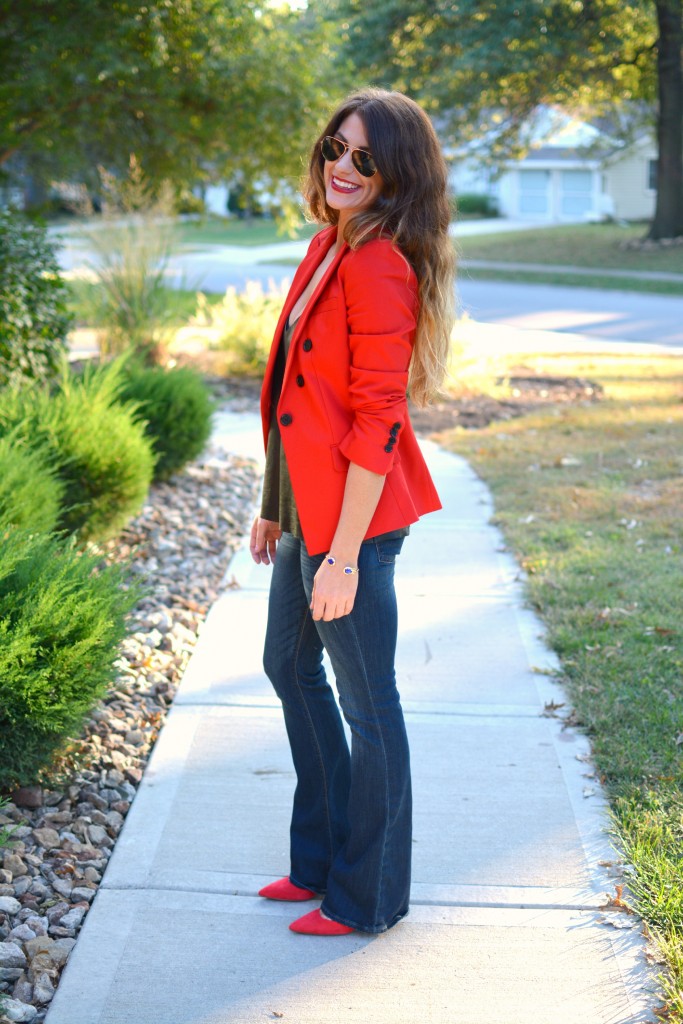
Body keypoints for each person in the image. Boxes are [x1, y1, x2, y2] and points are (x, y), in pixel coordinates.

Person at [249, 88, 455, 936]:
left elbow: (377, 419)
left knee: (370, 707)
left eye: (365, 158)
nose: (342, 166)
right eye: (336, 147)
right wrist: (273, 509)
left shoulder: (378, 265)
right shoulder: (327, 246)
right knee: (287, 668)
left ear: (395, 174)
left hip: (355, 528)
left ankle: (367, 897)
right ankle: (318, 859)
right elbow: (295, 396)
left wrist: (339, 555)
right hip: (307, 512)